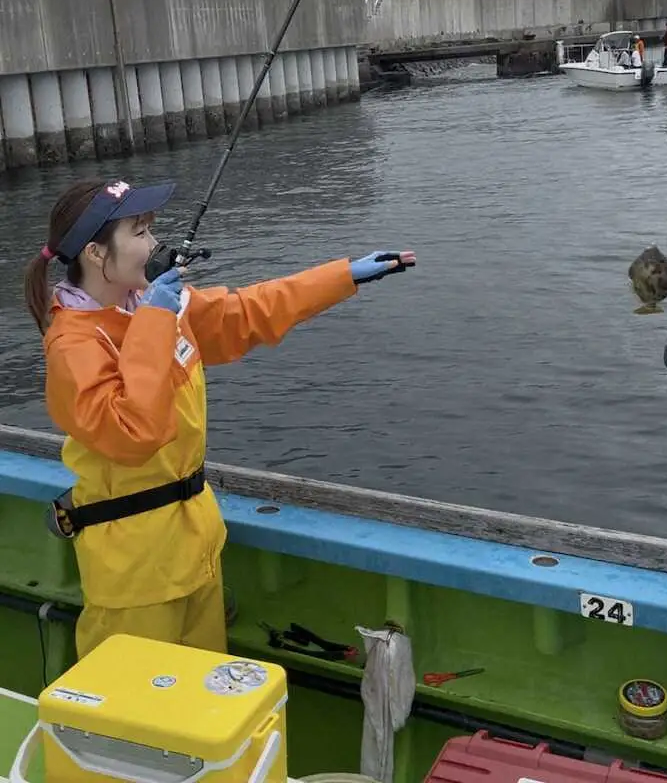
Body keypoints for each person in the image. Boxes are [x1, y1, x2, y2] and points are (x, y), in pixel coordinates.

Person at [24, 177, 416, 659]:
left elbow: (248, 312)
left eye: (151, 229)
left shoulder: (154, 309)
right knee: (137, 712)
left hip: (195, 550)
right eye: (140, 232)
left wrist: (343, 276)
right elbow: (133, 433)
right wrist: (155, 320)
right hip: (135, 572)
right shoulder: (75, 344)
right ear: (96, 253)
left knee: (201, 702)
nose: (155, 244)